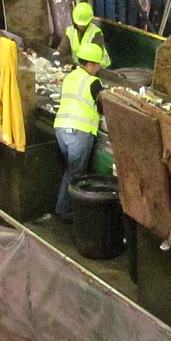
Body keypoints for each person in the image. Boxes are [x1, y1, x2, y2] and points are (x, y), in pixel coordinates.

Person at [53, 43, 105, 222]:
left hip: (61, 129)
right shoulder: (93, 82)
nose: (98, 69)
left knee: (71, 171)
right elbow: (103, 106)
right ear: (90, 64)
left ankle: (62, 208)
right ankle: (72, 215)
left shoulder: (70, 77)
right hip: (79, 132)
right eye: (97, 65)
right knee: (77, 176)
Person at [56, 1, 111, 68]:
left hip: (99, 68)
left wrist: (80, 66)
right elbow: (63, 49)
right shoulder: (70, 31)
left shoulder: (96, 33)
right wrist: (57, 55)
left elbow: (94, 57)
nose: (81, 26)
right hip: (81, 67)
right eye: (79, 24)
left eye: (84, 24)